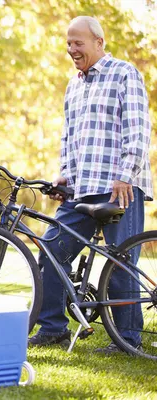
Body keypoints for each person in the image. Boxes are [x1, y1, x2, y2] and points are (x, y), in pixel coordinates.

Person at [28, 16, 153, 353]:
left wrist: (126, 173)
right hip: (81, 189)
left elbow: (139, 130)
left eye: (77, 43)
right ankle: (53, 328)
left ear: (98, 41)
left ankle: (127, 339)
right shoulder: (74, 86)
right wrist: (65, 175)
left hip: (119, 186)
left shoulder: (124, 73)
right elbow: (69, 138)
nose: (71, 49)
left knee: (120, 262)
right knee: (52, 250)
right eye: (68, 43)